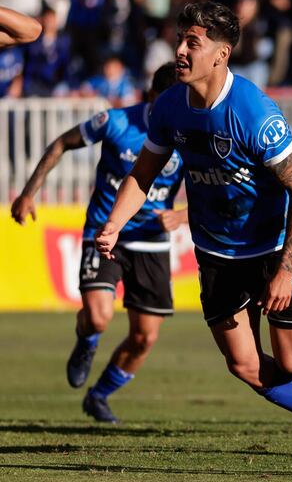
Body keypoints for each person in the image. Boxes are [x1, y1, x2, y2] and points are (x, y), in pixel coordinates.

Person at [93, 1, 292, 459]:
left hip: (270, 247)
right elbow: (142, 175)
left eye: (194, 42)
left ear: (221, 54)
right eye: (180, 40)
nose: (181, 51)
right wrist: (113, 225)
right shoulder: (169, 105)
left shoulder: (252, 111)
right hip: (215, 251)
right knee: (244, 364)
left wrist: (285, 270)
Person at [11, 62, 186, 423]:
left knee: (144, 338)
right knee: (99, 315)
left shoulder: (191, 134)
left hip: (151, 241)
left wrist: (182, 215)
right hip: (104, 232)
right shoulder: (115, 122)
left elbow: (217, 185)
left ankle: (99, 396)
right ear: (151, 97)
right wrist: (29, 193)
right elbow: (62, 142)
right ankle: (87, 341)